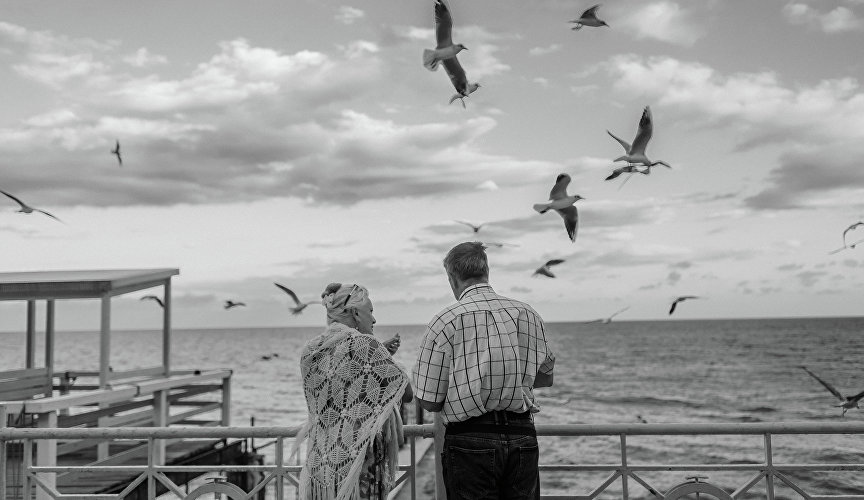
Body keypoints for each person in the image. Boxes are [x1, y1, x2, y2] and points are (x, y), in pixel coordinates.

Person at [413, 242, 556, 500]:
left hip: (470, 443)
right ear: (486, 270)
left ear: (452, 277)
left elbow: (430, 402)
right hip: (522, 436)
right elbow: (545, 377)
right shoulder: (527, 314)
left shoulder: (445, 320)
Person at [296, 282, 413, 500]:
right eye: (370, 311)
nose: (374, 319)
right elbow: (406, 394)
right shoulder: (366, 345)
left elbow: (340, 388)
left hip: (321, 462)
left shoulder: (310, 350)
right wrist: (381, 357)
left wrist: (378, 357)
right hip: (358, 466)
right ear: (355, 313)